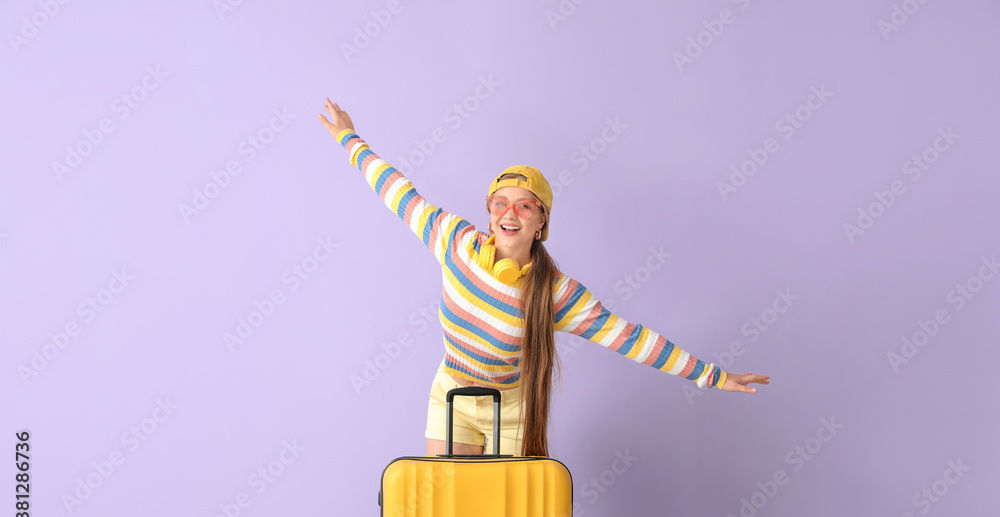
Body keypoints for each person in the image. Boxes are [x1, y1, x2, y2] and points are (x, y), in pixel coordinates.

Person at [318, 98, 770, 458]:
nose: (509, 213)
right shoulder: (453, 241)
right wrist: (348, 137)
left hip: (512, 414)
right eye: (500, 202)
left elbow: (632, 339)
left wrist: (712, 376)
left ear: (541, 223)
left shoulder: (557, 293)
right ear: (489, 212)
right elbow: (398, 191)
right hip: (451, 398)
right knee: (449, 515)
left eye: (525, 205)